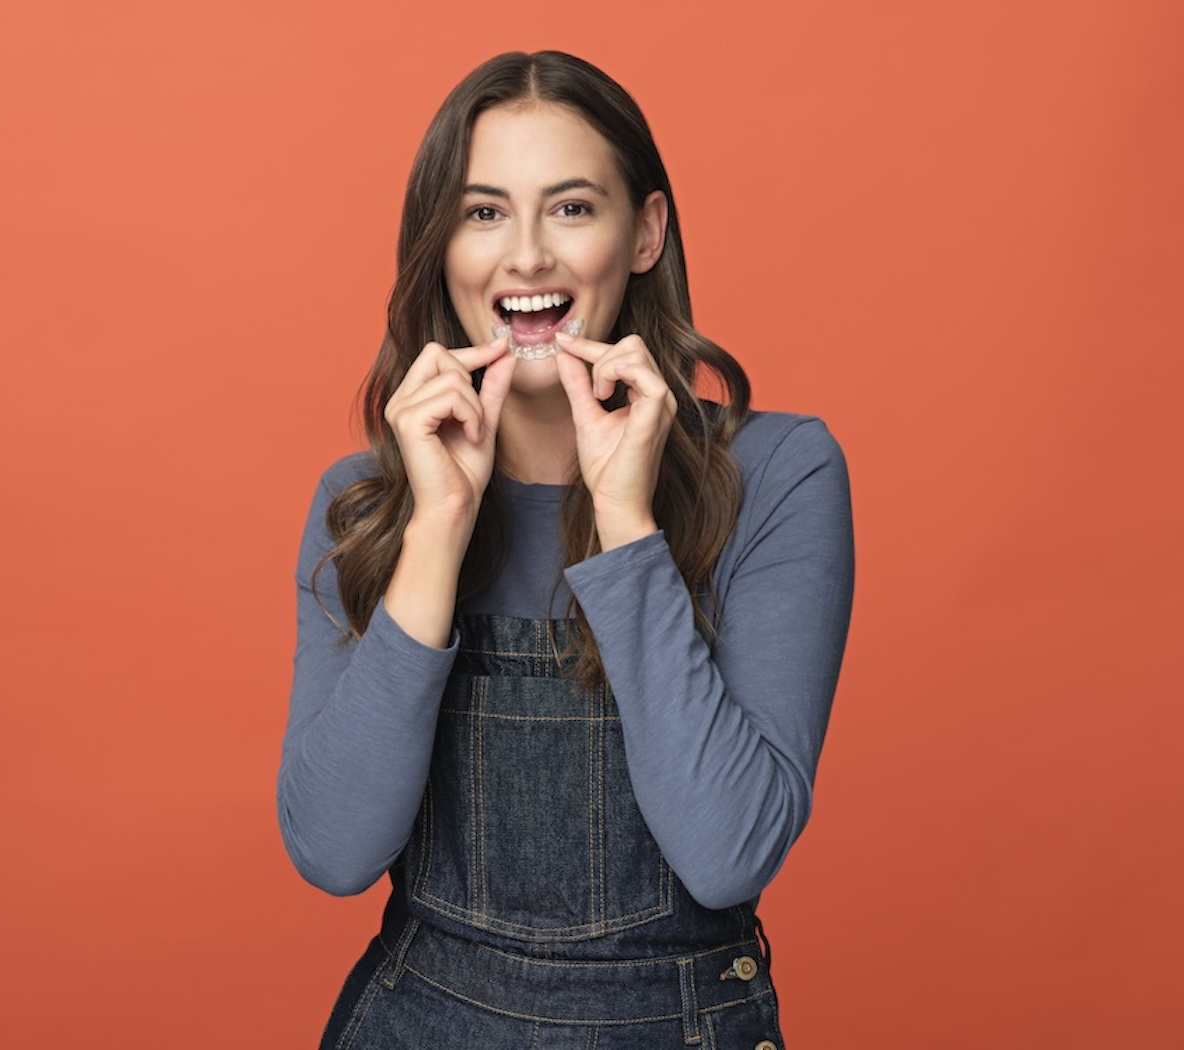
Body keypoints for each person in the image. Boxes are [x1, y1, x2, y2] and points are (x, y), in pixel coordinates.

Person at [279, 50, 854, 1049]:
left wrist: (625, 519)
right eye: (484, 212)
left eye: (573, 208)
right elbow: (332, 851)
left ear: (645, 233)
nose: (527, 257)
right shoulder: (366, 504)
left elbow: (727, 855)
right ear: (439, 244)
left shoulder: (779, 473)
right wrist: (436, 529)